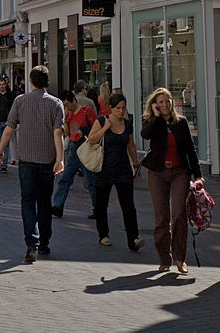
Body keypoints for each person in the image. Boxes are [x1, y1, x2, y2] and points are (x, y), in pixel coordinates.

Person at [0, 66, 65, 264]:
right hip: (47, 161)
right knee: (44, 202)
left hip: (26, 161)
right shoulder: (56, 103)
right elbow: (58, 132)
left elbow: (9, 129)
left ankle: (31, 244)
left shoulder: (20, 101)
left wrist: (0, 152)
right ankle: (44, 242)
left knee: (27, 201)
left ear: (31, 81)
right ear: (47, 81)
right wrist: (60, 158)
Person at [141, 87, 203, 274]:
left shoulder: (181, 122)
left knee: (178, 214)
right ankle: (164, 259)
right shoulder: (152, 121)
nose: (165, 105)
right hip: (158, 173)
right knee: (161, 218)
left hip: (179, 172)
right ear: (155, 105)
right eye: (160, 102)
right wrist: (156, 116)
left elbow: (190, 150)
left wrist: (198, 174)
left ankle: (179, 258)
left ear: (172, 103)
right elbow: (146, 135)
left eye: (167, 101)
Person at [87, 91, 144, 251]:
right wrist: (105, 128)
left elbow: (131, 145)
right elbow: (91, 139)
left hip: (123, 169)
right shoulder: (101, 121)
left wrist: (135, 164)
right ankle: (103, 235)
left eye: (123, 108)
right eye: (118, 108)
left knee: (128, 205)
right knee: (101, 204)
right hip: (103, 168)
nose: (121, 111)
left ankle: (133, 239)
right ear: (111, 108)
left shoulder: (127, 124)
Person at [51, 90, 97, 218]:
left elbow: (96, 126)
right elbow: (67, 132)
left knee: (90, 181)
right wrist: (65, 121)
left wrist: (84, 130)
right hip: (74, 147)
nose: (66, 107)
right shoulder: (68, 114)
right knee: (65, 178)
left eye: (67, 104)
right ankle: (57, 205)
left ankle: (98, 208)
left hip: (85, 147)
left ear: (73, 100)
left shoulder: (86, 111)